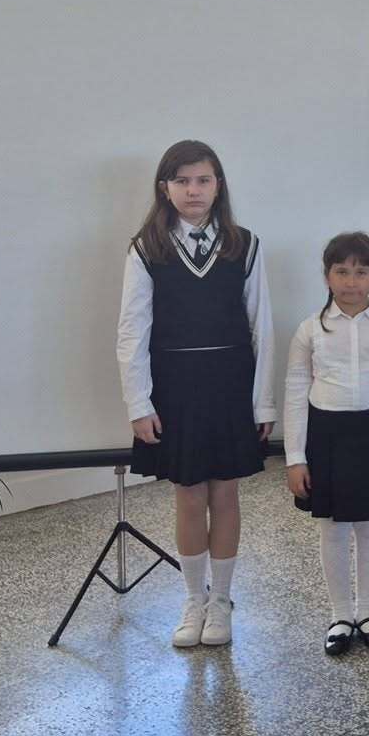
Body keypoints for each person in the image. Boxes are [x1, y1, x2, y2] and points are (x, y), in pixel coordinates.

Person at [118, 140, 274, 650]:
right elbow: (132, 330)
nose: (193, 190)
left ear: (218, 185)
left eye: (203, 180)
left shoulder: (245, 245)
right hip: (175, 386)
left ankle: (222, 600)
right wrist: (139, 402)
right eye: (182, 181)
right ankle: (193, 599)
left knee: (225, 493)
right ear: (165, 187)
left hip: (230, 382)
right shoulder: (147, 248)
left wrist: (263, 402)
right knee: (188, 494)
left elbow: (262, 327)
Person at [285, 232, 369, 657]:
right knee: (333, 527)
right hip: (327, 437)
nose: (351, 281)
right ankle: (341, 616)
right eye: (341, 271)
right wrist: (295, 458)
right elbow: (295, 393)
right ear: (327, 275)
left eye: (361, 272)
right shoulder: (310, 330)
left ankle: (368, 613)